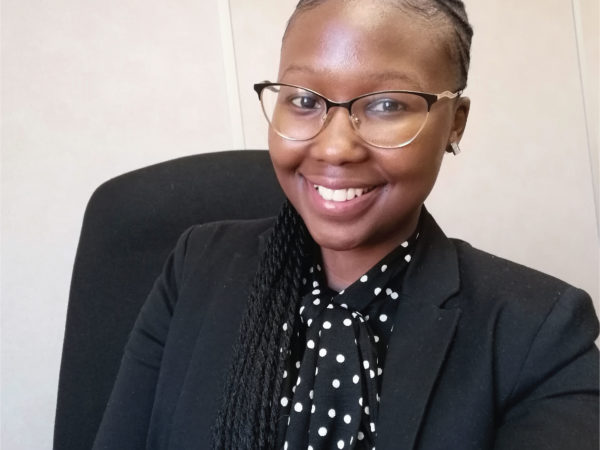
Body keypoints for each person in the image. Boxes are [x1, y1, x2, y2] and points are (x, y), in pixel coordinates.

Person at [92, 1, 599, 449]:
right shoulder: (196, 269)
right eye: (304, 100)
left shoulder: (543, 334)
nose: (334, 148)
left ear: (455, 123)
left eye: (387, 105)